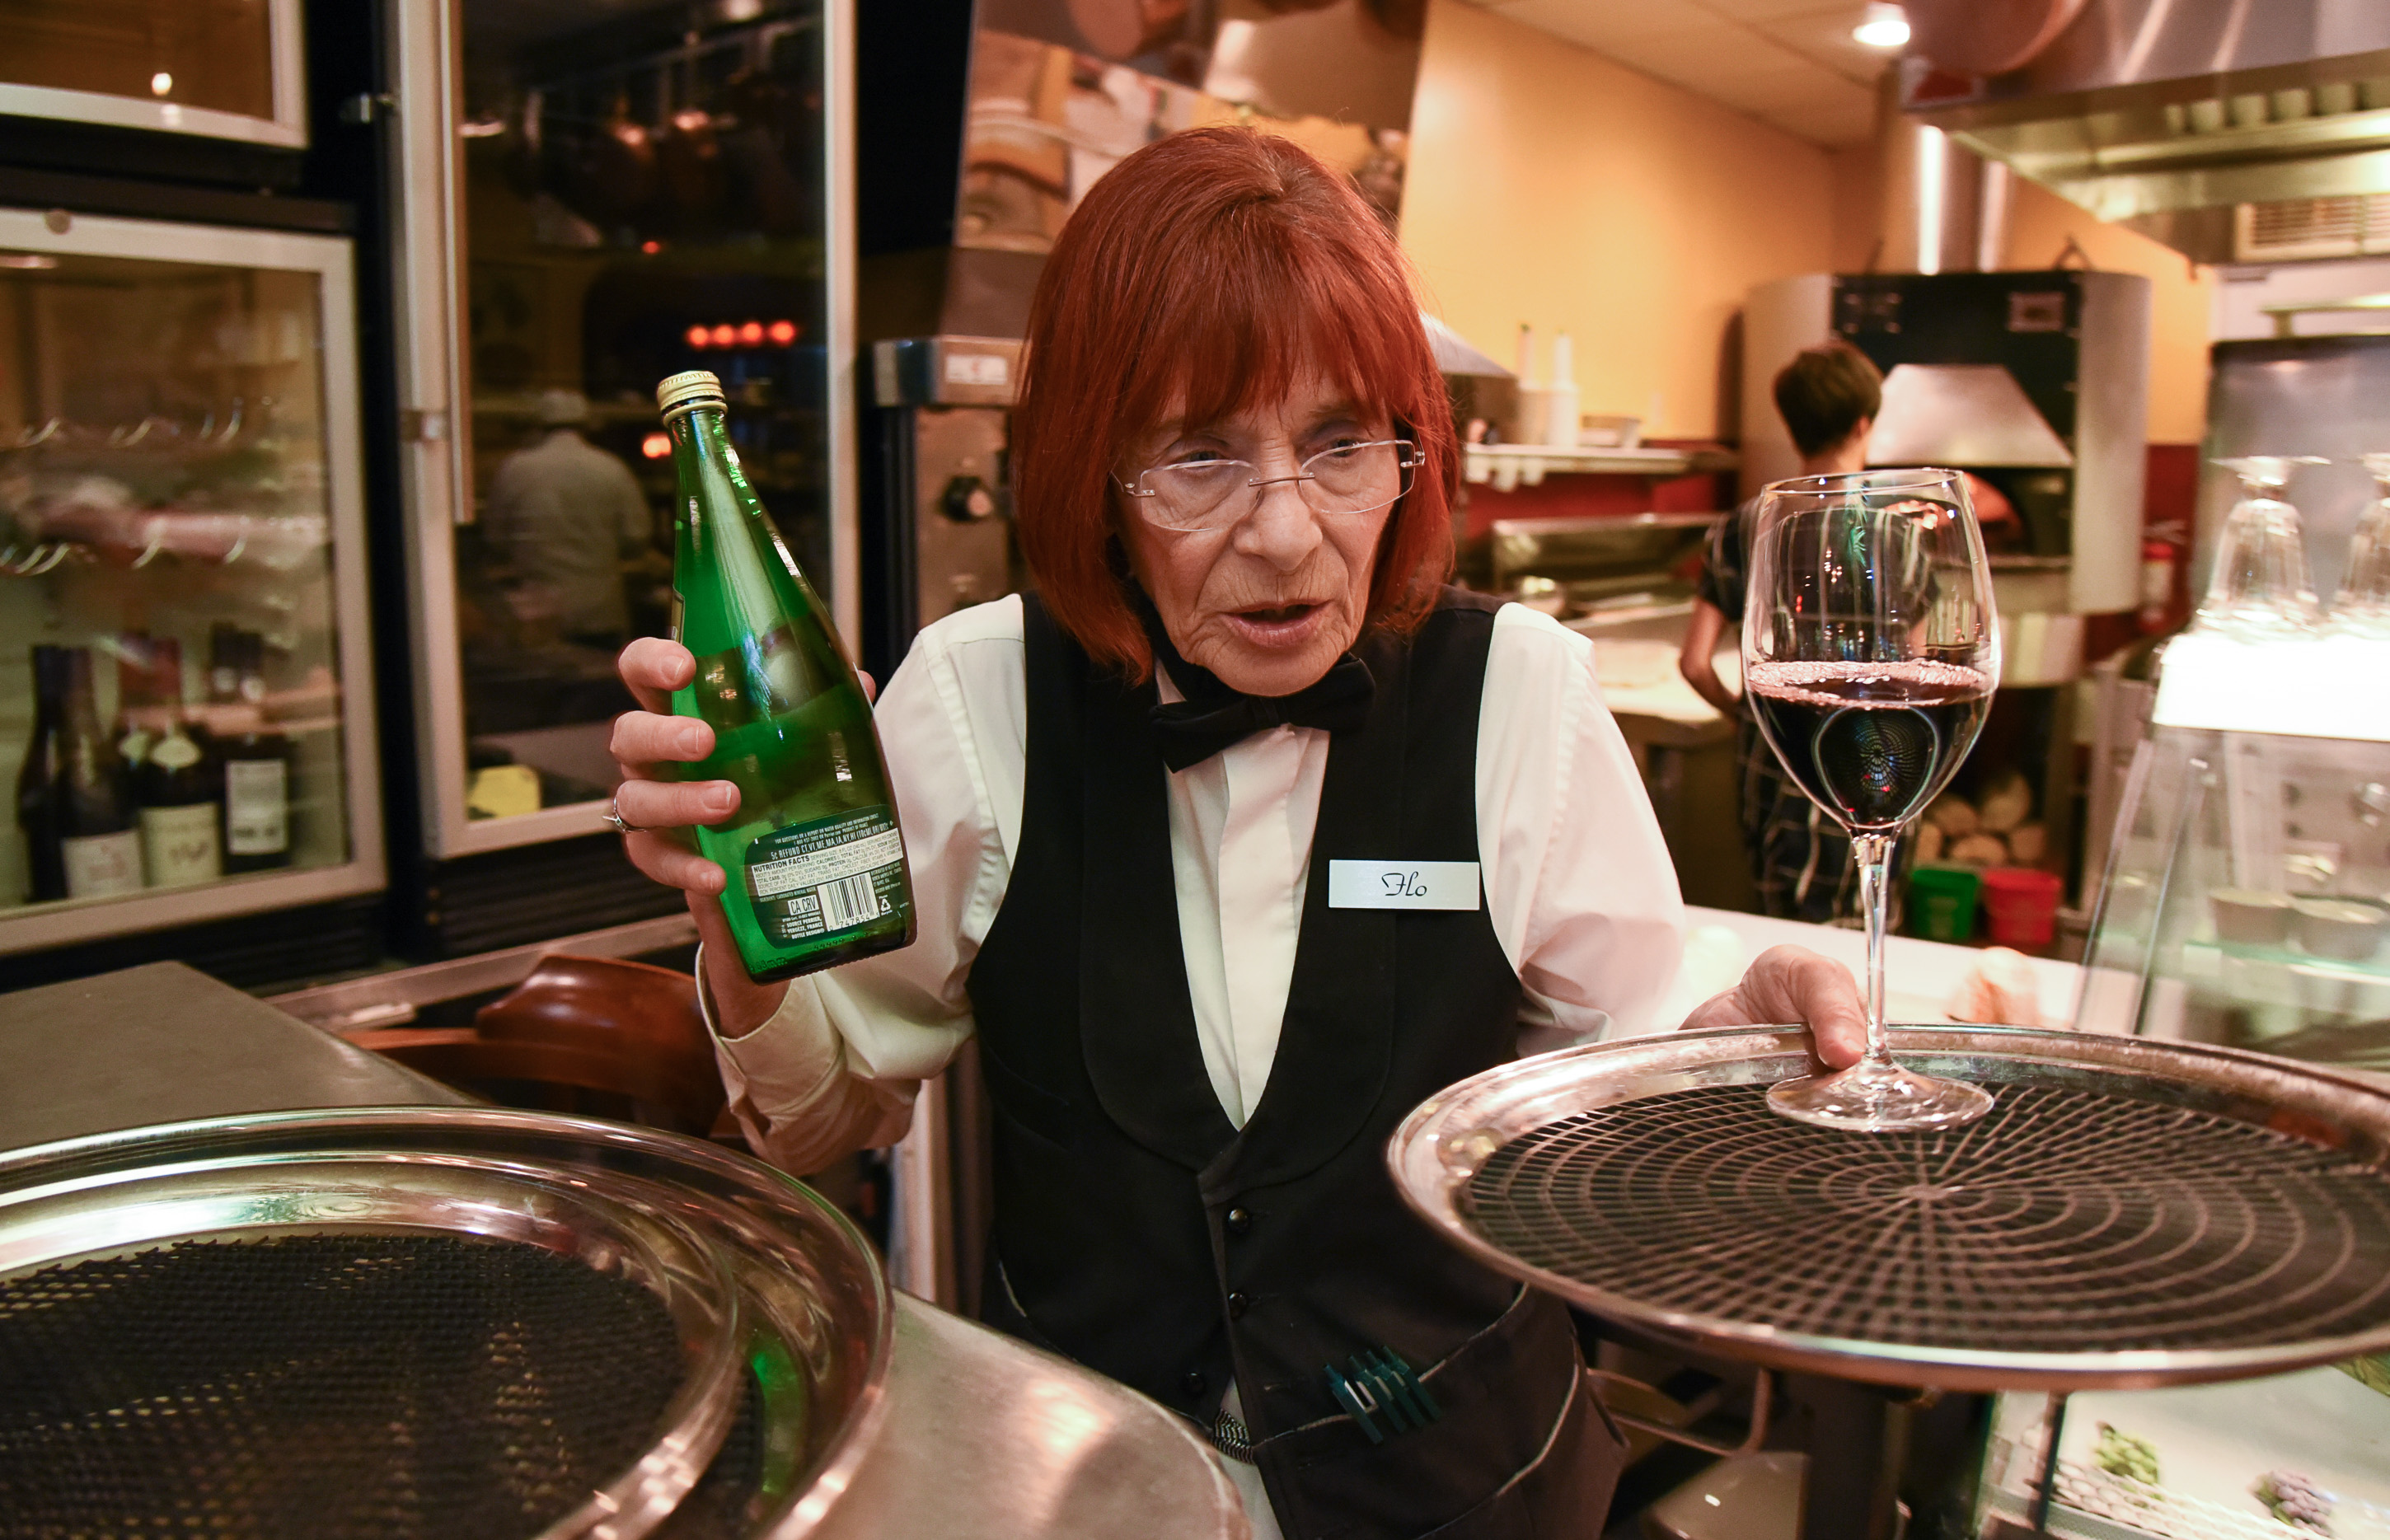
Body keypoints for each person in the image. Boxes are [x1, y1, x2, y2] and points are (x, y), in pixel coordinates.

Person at [610, 129, 1866, 1540]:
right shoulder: (976, 699)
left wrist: (1718, 1066)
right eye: (1200, 455)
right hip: (1092, 1495)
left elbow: (1611, 1102)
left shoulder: (1523, 695)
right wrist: (738, 930)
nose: (1286, 533)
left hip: (1466, 1491)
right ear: (1097, 471)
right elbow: (822, 1117)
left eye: (1342, 445)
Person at [482, 387, 657, 648]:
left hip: (538, 613)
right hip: (600, 609)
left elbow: (496, 538)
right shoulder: (610, 468)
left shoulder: (515, 469)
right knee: (599, 672)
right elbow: (636, 536)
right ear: (587, 425)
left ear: (537, 426)